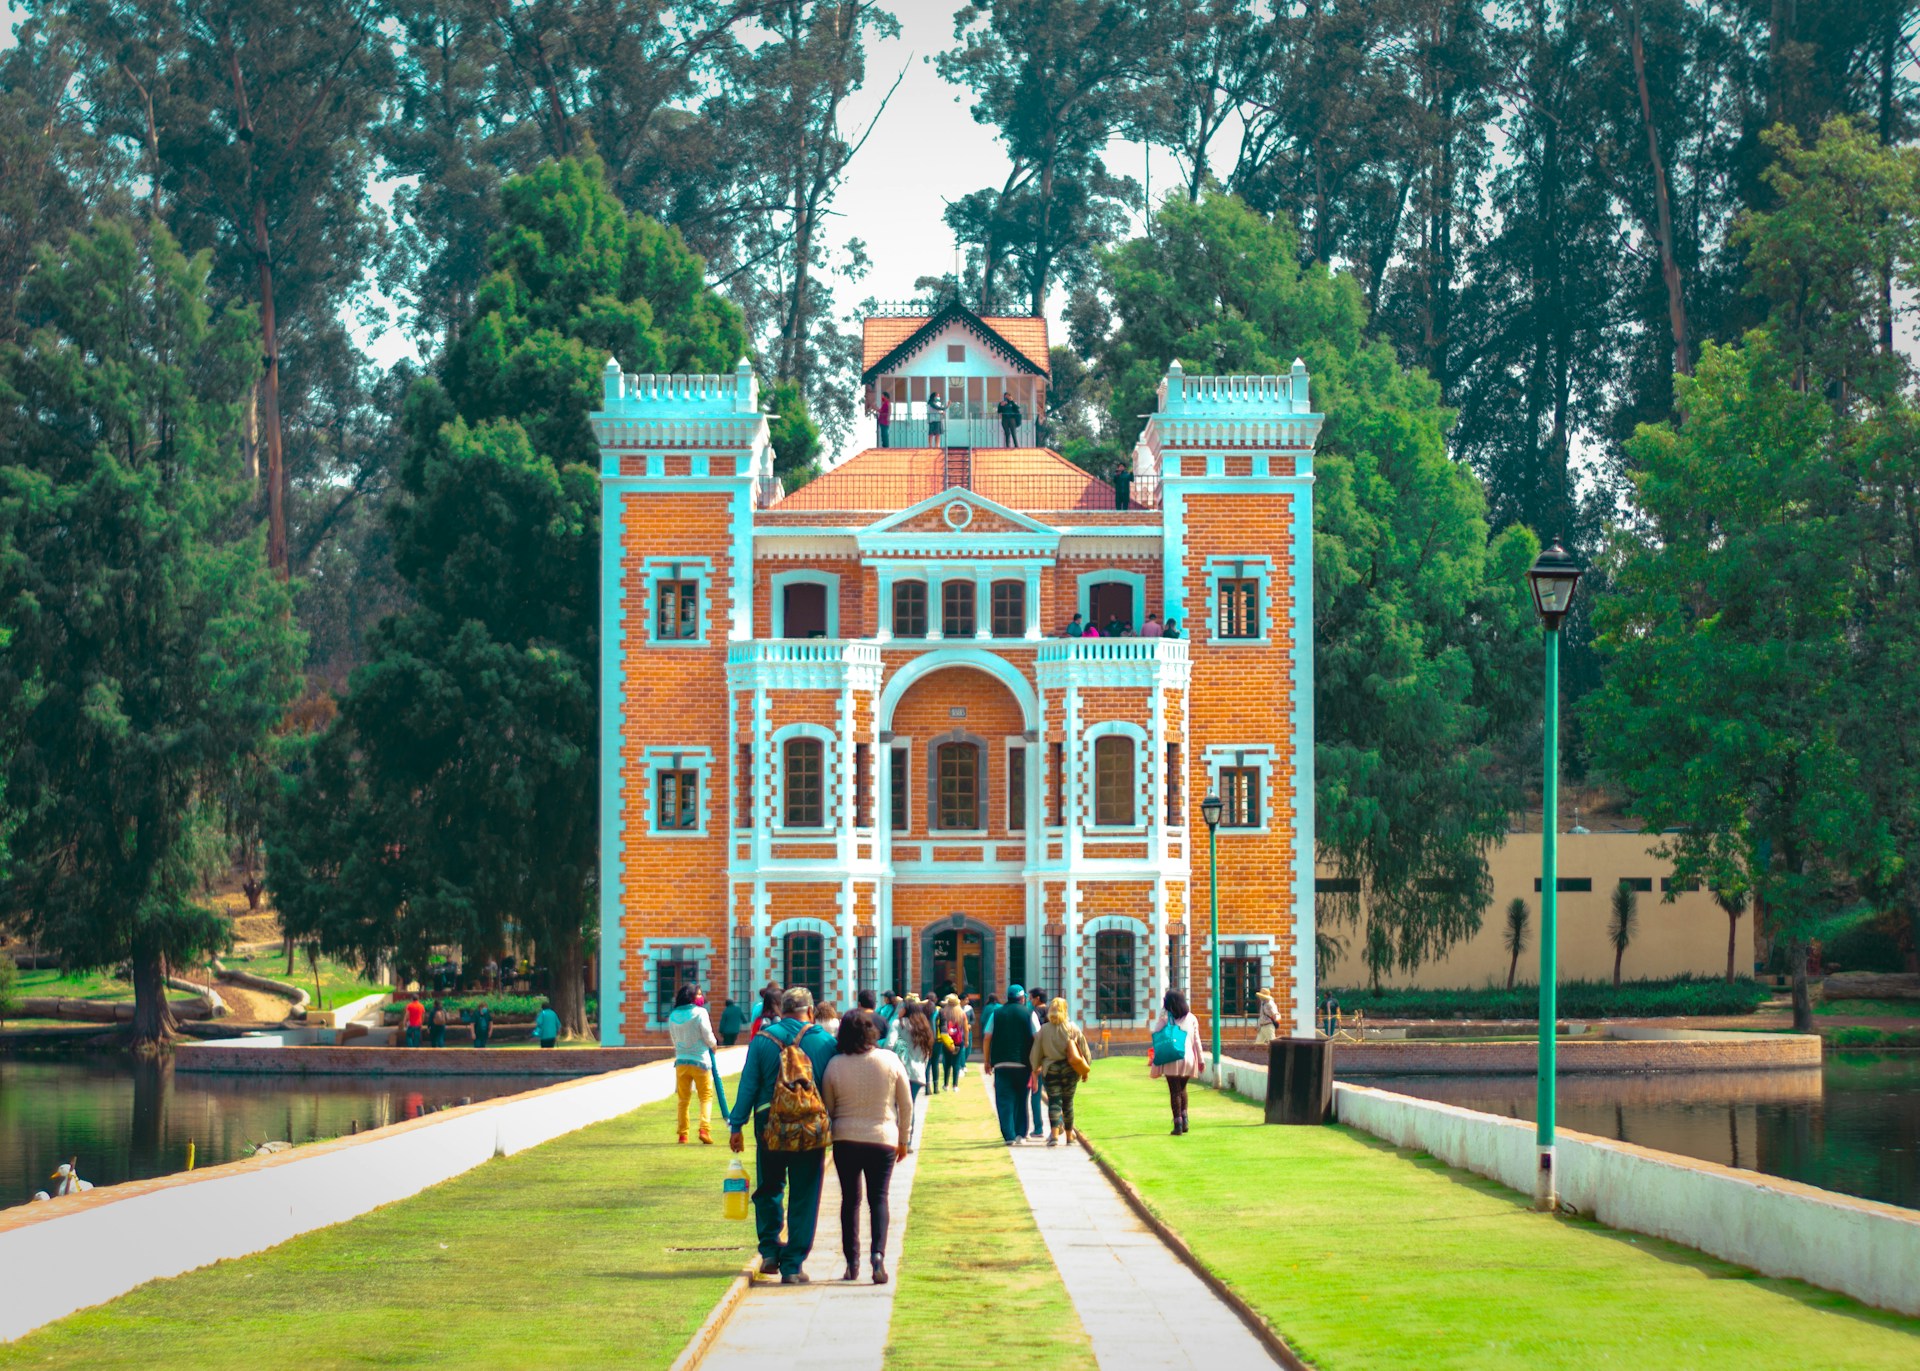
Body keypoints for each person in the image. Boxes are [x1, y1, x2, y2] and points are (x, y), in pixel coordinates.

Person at [728, 987, 838, 1284]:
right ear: (810, 1011)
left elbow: (748, 1085)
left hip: (768, 1122)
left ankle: (769, 1251)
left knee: (769, 1187)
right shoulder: (825, 1041)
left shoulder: (762, 1040)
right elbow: (832, 1087)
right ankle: (793, 1264)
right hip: (809, 1127)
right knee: (805, 1192)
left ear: (782, 1010)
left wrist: (736, 1125)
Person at [820, 1010, 911, 1285]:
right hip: (882, 1137)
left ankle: (852, 1261)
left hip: (845, 1138)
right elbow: (905, 1104)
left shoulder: (835, 1064)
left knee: (850, 1201)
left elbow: (829, 1106)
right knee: (878, 1199)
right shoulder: (889, 1060)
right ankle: (879, 1256)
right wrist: (904, 1140)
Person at [1030, 997, 1091, 1146]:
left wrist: (1035, 1069)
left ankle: (1055, 1136)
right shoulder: (1073, 1028)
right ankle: (1069, 1136)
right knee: (1068, 1103)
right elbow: (1084, 1051)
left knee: (1054, 1102)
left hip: (1051, 1070)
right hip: (1070, 1070)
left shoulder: (1044, 1030)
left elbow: (1036, 1053)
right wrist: (1085, 1069)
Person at [982, 985, 1037, 1144]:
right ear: (1022, 998)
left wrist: (987, 1060)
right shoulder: (1029, 1013)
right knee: (1021, 1099)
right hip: (1023, 1063)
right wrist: (1036, 1063)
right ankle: (1021, 1133)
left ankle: (1009, 1135)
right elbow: (1037, 1037)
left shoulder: (996, 1013)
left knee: (1004, 1100)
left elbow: (987, 1037)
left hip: (1001, 1063)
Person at [669, 983, 720, 1143]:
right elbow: (707, 1034)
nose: (701, 997)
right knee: (705, 1097)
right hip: (701, 1061)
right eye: (698, 994)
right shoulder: (700, 1012)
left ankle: (683, 1134)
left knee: (683, 1100)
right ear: (691, 997)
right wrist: (713, 1044)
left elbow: (674, 1039)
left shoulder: (673, 1015)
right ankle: (704, 1130)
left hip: (681, 1061)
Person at [1149, 989, 1205, 1135]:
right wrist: (1201, 1060)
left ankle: (1178, 1124)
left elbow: (1155, 1033)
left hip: (1172, 1058)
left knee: (1175, 1091)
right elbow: (1197, 1041)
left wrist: (1162, 1016)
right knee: (1182, 1089)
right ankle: (1185, 1120)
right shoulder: (1192, 1018)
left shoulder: (1166, 1018)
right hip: (1189, 1059)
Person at [896, 1001, 933, 1132]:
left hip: (901, 1071)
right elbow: (927, 1053)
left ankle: (900, 1139)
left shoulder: (899, 1025)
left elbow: (890, 1044)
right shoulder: (924, 1027)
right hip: (918, 1073)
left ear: (905, 1010)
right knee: (910, 1105)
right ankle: (908, 1140)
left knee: (898, 1106)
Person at [1023, 986, 1049, 1139]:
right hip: (1052, 1058)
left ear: (1037, 998)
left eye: (1031, 998)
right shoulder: (1053, 1012)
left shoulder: (1033, 1014)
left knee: (1035, 1093)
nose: (1030, 1001)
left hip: (1037, 1059)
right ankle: (1057, 1122)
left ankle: (1038, 1127)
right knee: (1053, 1093)